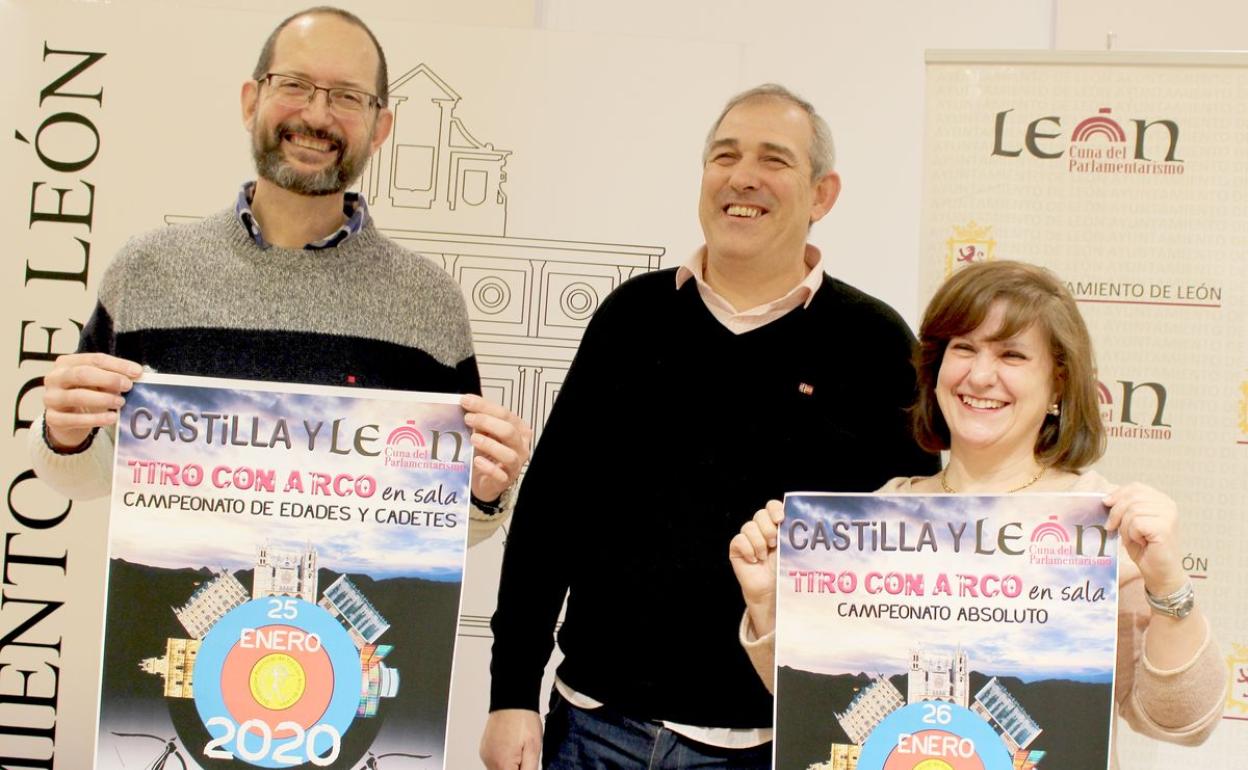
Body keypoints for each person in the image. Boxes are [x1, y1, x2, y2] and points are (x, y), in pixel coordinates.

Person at [481, 84, 938, 770]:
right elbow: (551, 513)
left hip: (767, 747)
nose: (742, 176)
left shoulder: (874, 344)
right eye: (724, 156)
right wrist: (511, 691)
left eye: (774, 159)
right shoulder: (630, 319)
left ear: (822, 195)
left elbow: (915, 552)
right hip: (592, 727)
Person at [29, 6, 531, 543]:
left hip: (344, 624)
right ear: (252, 102)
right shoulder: (147, 271)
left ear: (380, 127)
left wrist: (482, 491)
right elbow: (86, 476)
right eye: (294, 84)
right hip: (172, 614)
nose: (317, 116)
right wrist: (64, 436)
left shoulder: (429, 303)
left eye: (347, 96)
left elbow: (443, 521)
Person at [729, 259, 1225, 768]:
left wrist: (1167, 584)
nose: (981, 375)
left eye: (1012, 354)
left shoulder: (1101, 527)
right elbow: (817, 712)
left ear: (1058, 385)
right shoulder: (878, 517)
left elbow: (1181, 721)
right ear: (937, 371)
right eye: (963, 348)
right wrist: (769, 602)